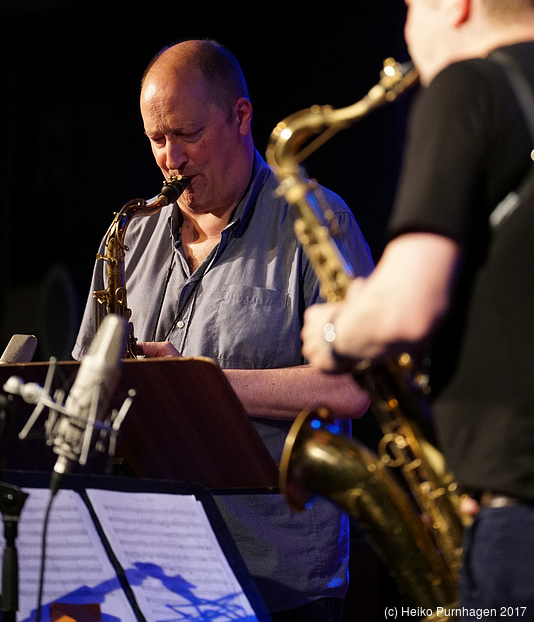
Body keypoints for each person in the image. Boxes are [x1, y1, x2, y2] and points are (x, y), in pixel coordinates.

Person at [73, 38, 373, 621]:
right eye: (156, 140)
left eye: (187, 134)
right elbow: (85, 387)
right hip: (150, 568)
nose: (171, 160)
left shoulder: (318, 220)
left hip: (278, 575)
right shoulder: (129, 239)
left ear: (241, 116)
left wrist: (199, 383)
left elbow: (355, 387)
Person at [301, 0, 534, 616]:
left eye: (410, 6)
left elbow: (406, 306)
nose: (407, 33)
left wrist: (336, 329)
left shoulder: (470, 86)